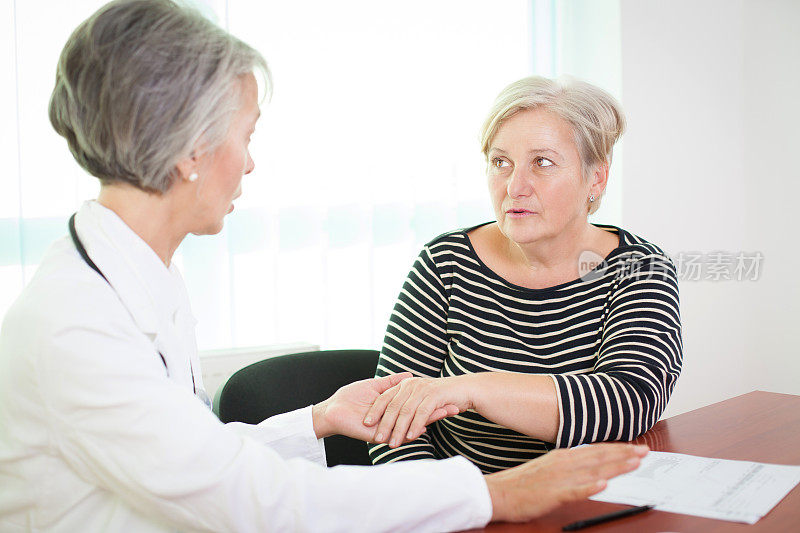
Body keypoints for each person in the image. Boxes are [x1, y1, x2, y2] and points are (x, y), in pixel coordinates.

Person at [0, 1, 648, 531]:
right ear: (189, 146)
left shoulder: (141, 278)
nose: (249, 163)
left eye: (543, 162)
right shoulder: (76, 326)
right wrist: (495, 495)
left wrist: (319, 418)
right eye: (246, 135)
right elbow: (250, 497)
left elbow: (193, 461)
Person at [367, 76, 682, 473]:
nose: (515, 186)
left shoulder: (638, 267)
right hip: (461, 508)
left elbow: (627, 402)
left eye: (543, 162)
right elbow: (393, 427)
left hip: (584, 503)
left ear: (596, 178)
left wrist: (471, 388)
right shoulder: (445, 262)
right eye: (501, 163)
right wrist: (447, 507)